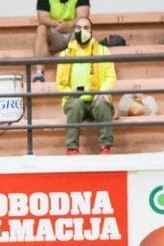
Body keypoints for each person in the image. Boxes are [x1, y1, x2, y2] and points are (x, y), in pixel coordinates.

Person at [55, 19, 116, 156]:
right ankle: (72, 149)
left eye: (86, 27)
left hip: (96, 98)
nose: (82, 31)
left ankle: (106, 148)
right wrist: (72, 92)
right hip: (75, 100)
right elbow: (60, 84)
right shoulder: (65, 54)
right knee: (75, 104)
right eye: (78, 27)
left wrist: (102, 92)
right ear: (74, 30)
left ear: (91, 31)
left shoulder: (103, 51)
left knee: (102, 103)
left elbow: (110, 77)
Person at [34, 0, 90, 83]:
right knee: (41, 28)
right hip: (55, 33)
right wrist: (56, 24)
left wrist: (68, 24)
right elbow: (42, 18)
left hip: (73, 33)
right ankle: (39, 73)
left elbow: (83, 16)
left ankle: (84, 70)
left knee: (84, 25)